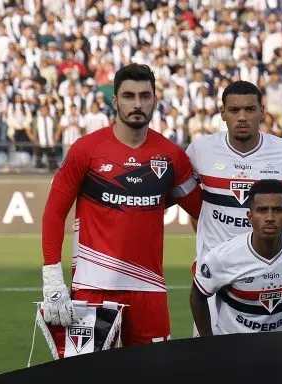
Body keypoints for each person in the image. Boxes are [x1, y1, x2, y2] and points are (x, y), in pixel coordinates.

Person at [40, 64, 200, 345]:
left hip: (149, 289)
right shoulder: (86, 150)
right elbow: (54, 212)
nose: (137, 104)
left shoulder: (172, 156)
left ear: (155, 99)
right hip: (93, 289)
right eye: (128, 96)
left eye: (144, 96)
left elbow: (203, 211)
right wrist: (52, 277)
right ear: (115, 101)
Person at [185, 81, 282, 333]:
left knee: (268, 361)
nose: (242, 117)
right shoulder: (200, 150)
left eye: (250, 109)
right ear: (223, 113)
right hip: (215, 276)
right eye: (234, 110)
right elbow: (191, 203)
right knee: (207, 361)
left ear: (262, 111)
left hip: (267, 275)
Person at [190, 180, 282, 335]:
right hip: (233, 350)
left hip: (280, 349)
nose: (270, 217)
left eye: (277, 210)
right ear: (250, 216)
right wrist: (207, 341)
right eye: (262, 210)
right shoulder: (223, 257)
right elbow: (197, 296)